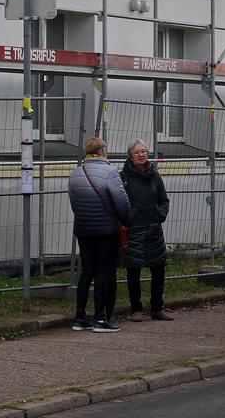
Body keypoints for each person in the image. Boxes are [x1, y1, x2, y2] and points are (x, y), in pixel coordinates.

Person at [68, 137, 131, 333]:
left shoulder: (76, 173)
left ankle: (79, 318)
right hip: (105, 229)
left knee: (86, 271)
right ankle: (100, 319)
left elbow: (74, 203)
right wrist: (127, 222)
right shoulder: (110, 172)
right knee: (103, 271)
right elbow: (121, 202)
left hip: (83, 228)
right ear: (102, 151)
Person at [121, 139, 173, 322]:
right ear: (131, 157)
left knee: (158, 269)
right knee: (133, 270)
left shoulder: (155, 176)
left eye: (144, 151)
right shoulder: (124, 178)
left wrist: (161, 214)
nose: (141, 155)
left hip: (154, 230)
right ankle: (136, 309)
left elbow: (164, 200)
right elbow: (119, 202)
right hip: (134, 230)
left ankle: (157, 308)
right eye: (137, 153)